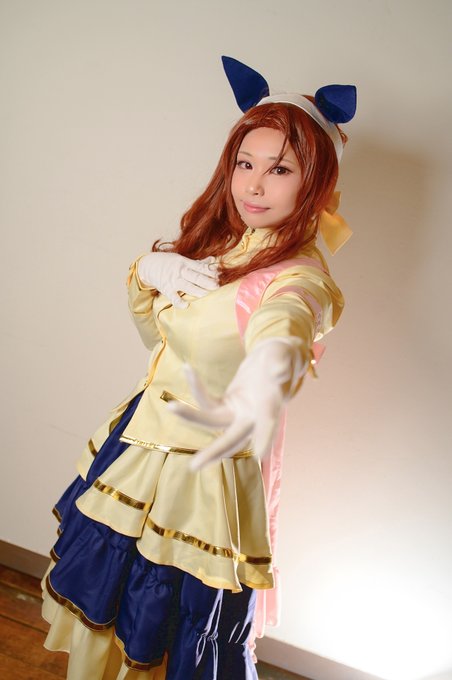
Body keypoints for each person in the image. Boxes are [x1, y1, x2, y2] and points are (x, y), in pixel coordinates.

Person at [41, 56, 356, 679]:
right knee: (106, 606)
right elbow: (158, 338)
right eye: (245, 163)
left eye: (280, 169)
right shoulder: (219, 242)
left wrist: (272, 366)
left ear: (314, 181)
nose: (254, 186)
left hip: (198, 483)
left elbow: (288, 321)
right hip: (136, 449)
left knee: (166, 629)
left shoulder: (297, 277)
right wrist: (146, 271)